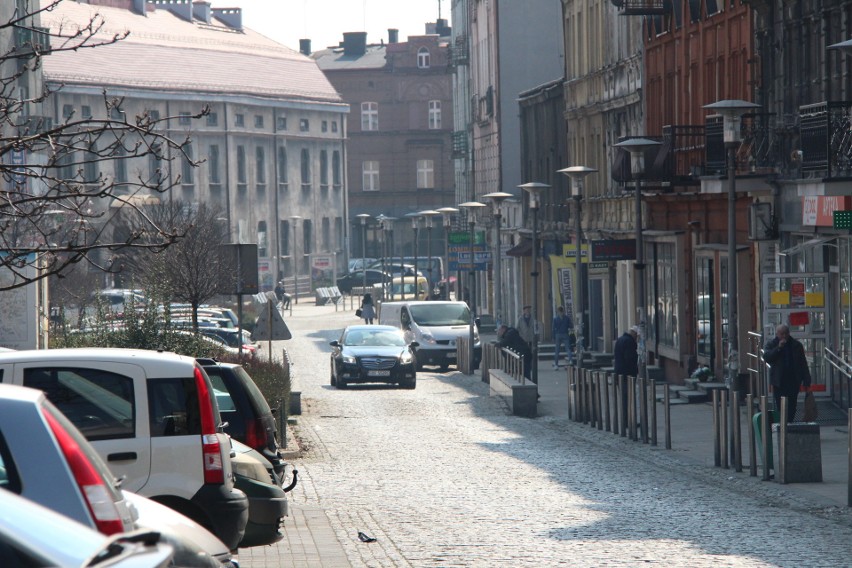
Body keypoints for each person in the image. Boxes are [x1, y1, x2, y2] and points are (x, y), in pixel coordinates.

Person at [762, 323, 811, 423]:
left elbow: (802, 363)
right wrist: (778, 348)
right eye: (781, 334)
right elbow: (767, 357)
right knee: (781, 405)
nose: (784, 336)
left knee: (792, 405)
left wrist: (806, 379)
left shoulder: (796, 345)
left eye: (786, 333)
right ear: (777, 334)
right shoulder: (772, 344)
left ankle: (789, 423)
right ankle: (784, 424)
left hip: (793, 380)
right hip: (779, 381)